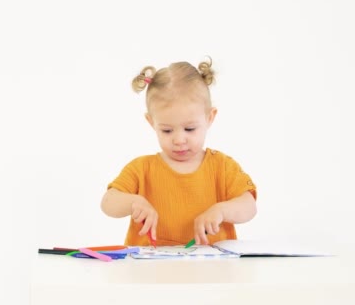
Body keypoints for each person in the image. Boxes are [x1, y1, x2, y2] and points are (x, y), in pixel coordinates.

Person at [100, 57, 257, 247]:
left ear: (209, 118)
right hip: (150, 272)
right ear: (151, 122)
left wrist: (222, 210)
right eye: (166, 130)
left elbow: (249, 206)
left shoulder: (222, 167)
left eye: (190, 129)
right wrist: (133, 202)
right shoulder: (141, 168)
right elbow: (108, 202)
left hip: (212, 270)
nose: (179, 140)